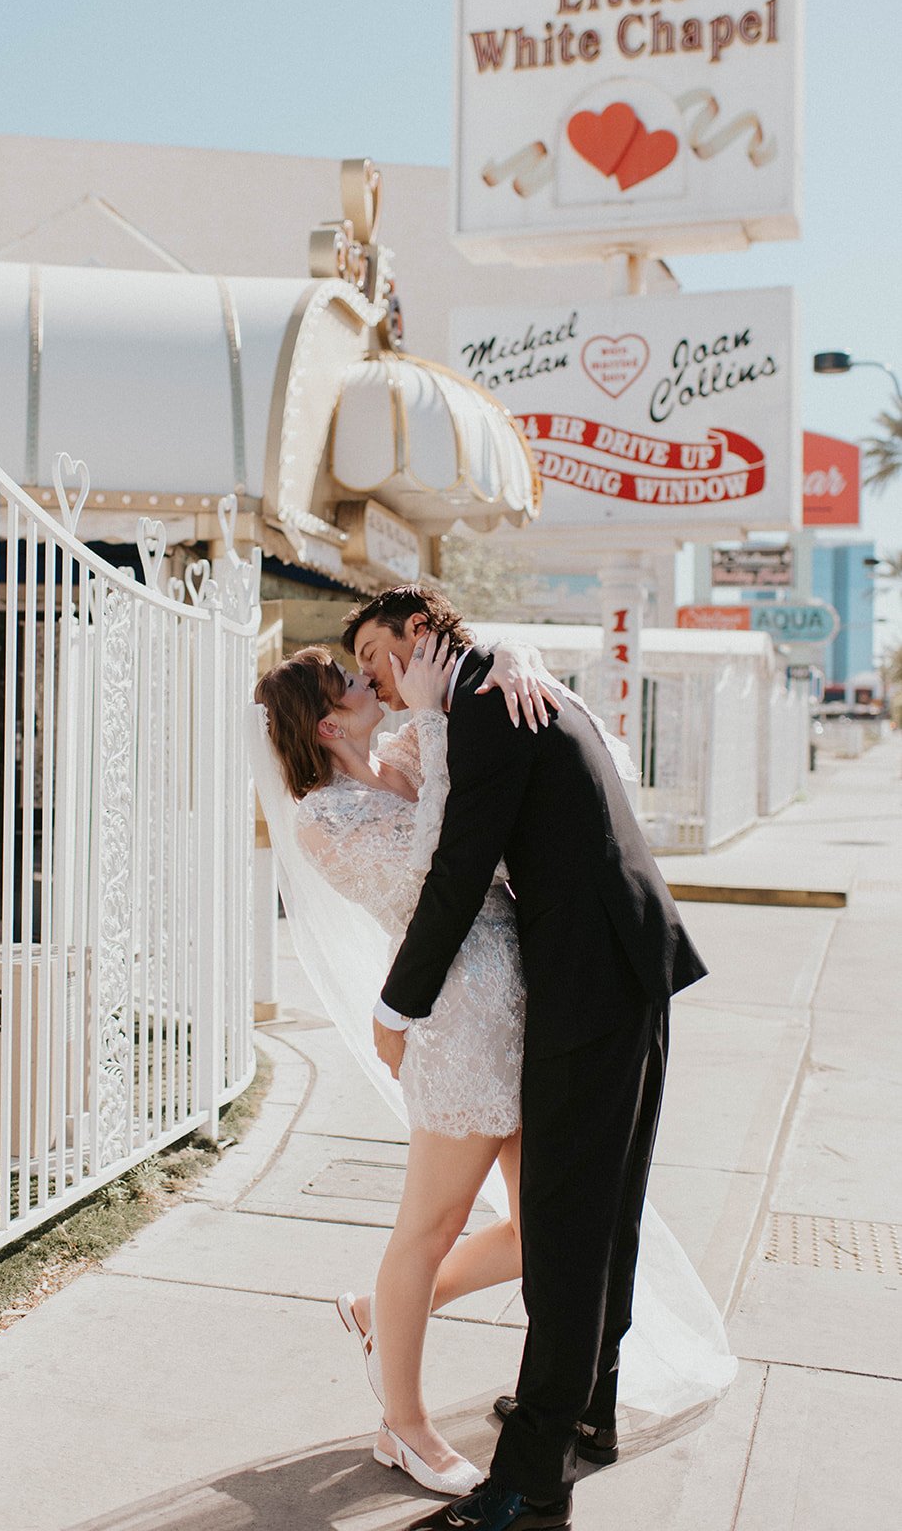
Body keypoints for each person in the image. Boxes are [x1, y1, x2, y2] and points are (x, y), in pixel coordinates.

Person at [341, 587, 709, 1531]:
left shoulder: (485, 703)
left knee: (564, 1226)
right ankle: (588, 1415)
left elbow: (459, 870)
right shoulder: (499, 689)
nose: (377, 682)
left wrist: (395, 1005)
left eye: (377, 656)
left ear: (419, 634)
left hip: (589, 982)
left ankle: (529, 1486)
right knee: (600, 1209)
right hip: (623, 965)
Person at [254, 628, 554, 1495]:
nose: (371, 680)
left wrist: (511, 657)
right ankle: (404, 1425)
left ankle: (376, 1312)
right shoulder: (324, 819)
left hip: (519, 1005)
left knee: (540, 1232)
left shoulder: (406, 757)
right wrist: (432, 727)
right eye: (350, 681)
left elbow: (483, 682)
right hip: (456, 1020)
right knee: (427, 1230)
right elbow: (439, 872)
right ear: (327, 725)